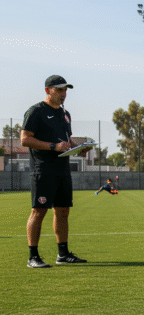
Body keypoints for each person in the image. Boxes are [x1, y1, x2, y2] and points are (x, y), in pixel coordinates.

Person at [20, 75, 89, 268]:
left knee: (63, 211)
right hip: (43, 171)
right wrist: (53, 146)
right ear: (47, 90)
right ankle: (33, 257)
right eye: (59, 90)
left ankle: (63, 254)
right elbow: (24, 140)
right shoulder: (36, 112)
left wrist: (80, 148)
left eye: (65, 90)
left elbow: (67, 141)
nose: (63, 94)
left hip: (62, 171)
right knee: (39, 211)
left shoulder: (65, 114)